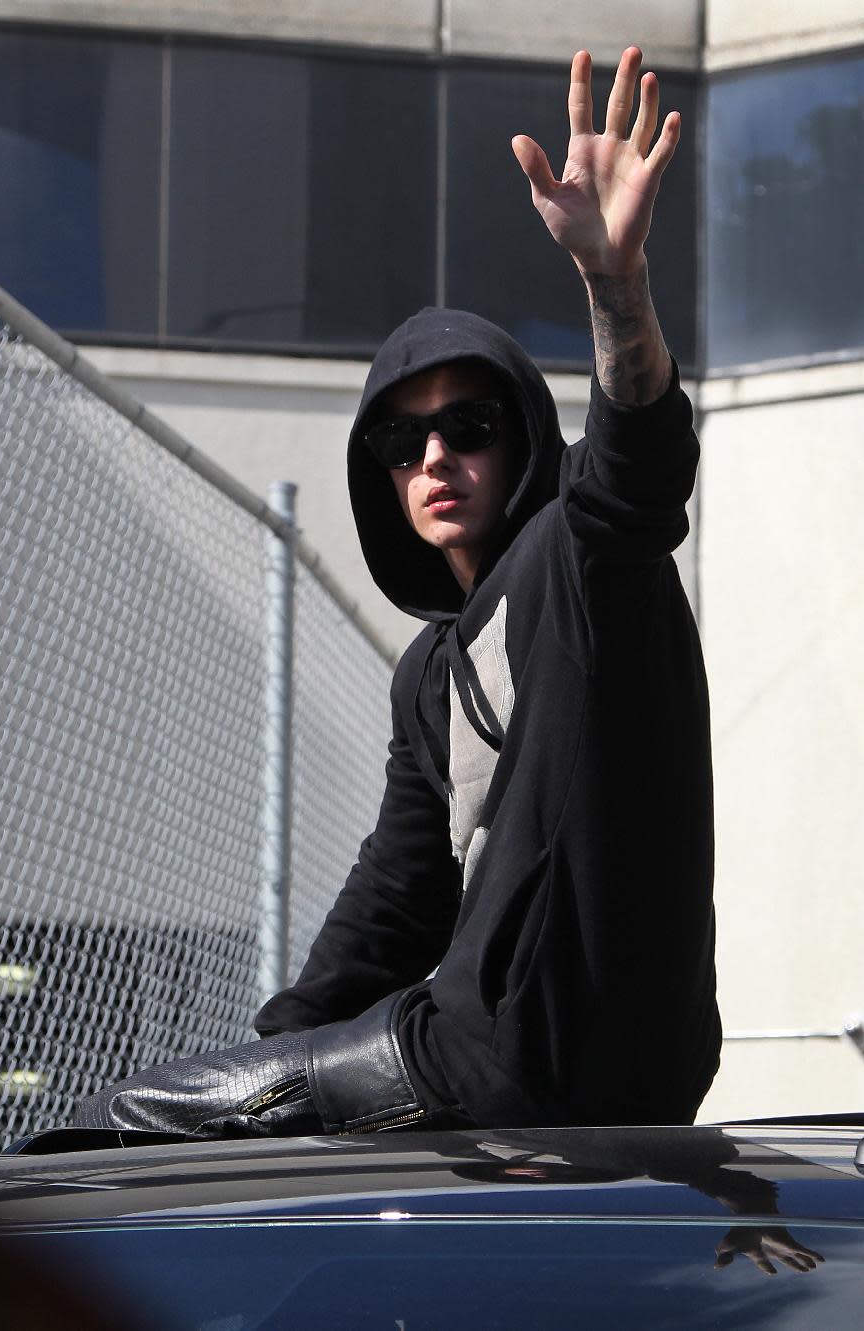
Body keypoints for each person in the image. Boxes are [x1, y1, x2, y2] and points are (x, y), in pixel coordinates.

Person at [73, 46, 720, 1138]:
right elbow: (397, 894)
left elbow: (638, 472)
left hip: (530, 1048)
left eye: (469, 426)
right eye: (401, 437)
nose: (434, 457)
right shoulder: (429, 673)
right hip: (483, 1054)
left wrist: (616, 288)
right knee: (233, 1111)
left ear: (523, 440)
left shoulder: (578, 561)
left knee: (106, 1127)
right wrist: (277, 1051)